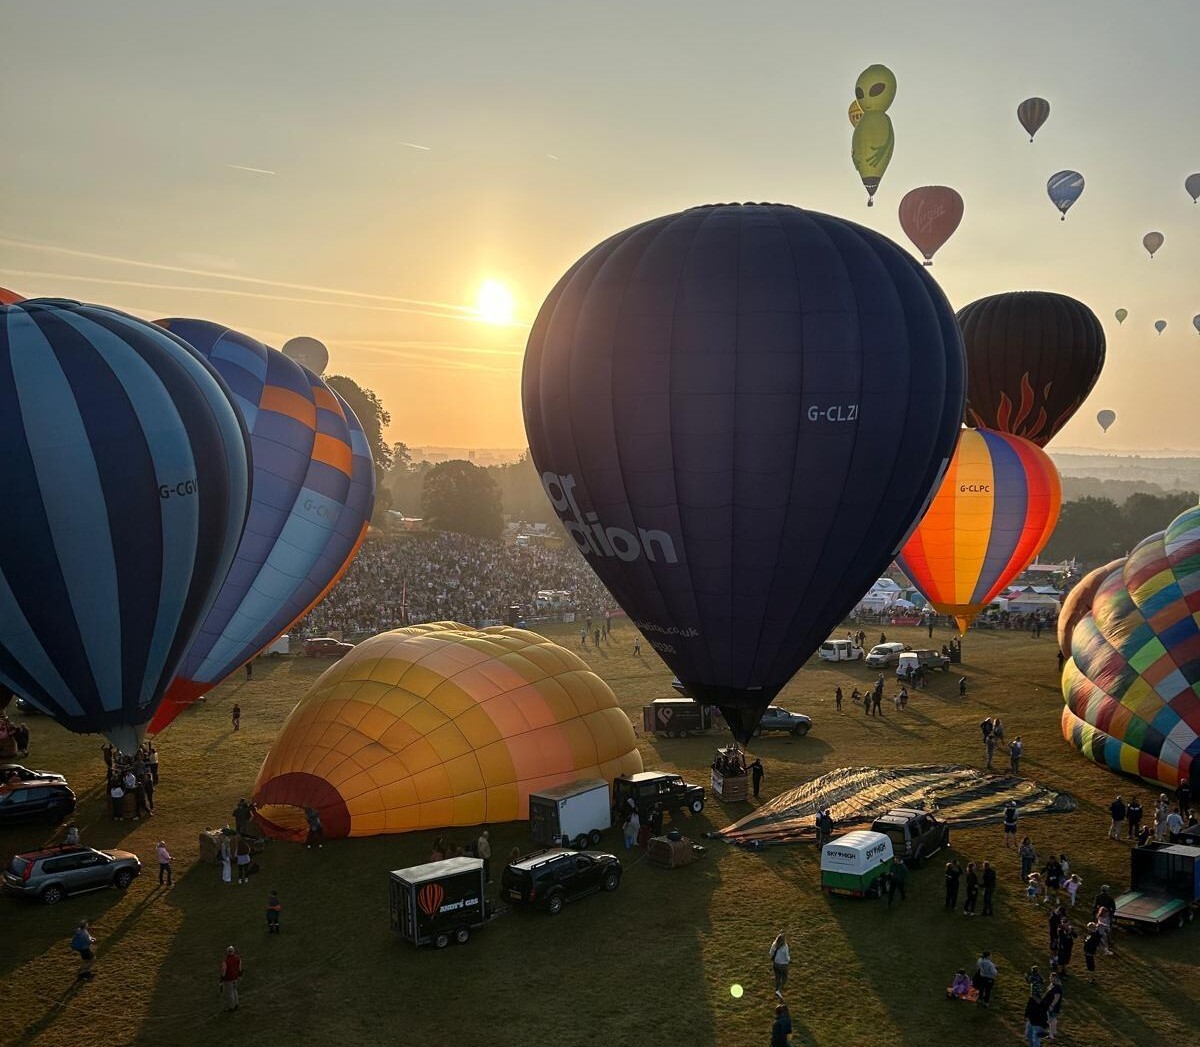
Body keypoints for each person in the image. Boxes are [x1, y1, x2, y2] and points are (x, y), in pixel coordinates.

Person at [219, 946, 242, 1011]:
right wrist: (239, 976)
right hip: (235, 978)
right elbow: (240, 968)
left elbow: (223, 972)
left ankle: (231, 1007)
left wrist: (221, 980)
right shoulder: (238, 958)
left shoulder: (225, 962)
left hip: (228, 979)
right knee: (235, 991)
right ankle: (236, 1003)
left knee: (230, 993)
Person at [769, 932, 790, 998]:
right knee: (784, 978)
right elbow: (787, 957)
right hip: (783, 965)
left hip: (776, 964)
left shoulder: (774, 945)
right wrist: (789, 960)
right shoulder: (785, 947)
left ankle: (777, 990)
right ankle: (779, 990)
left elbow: (770, 953)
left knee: (777, 978)